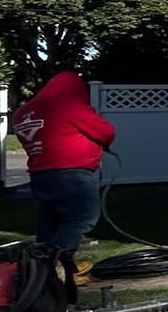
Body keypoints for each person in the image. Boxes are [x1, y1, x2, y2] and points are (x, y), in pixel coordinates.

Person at [9, 72, 114, 256]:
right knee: (82, 216)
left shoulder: (22, 112)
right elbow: (105, 132)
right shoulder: (67, 104)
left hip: (39, 174)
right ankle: (50, 261)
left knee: (49, 222)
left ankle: (41, 270)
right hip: (73, 172)